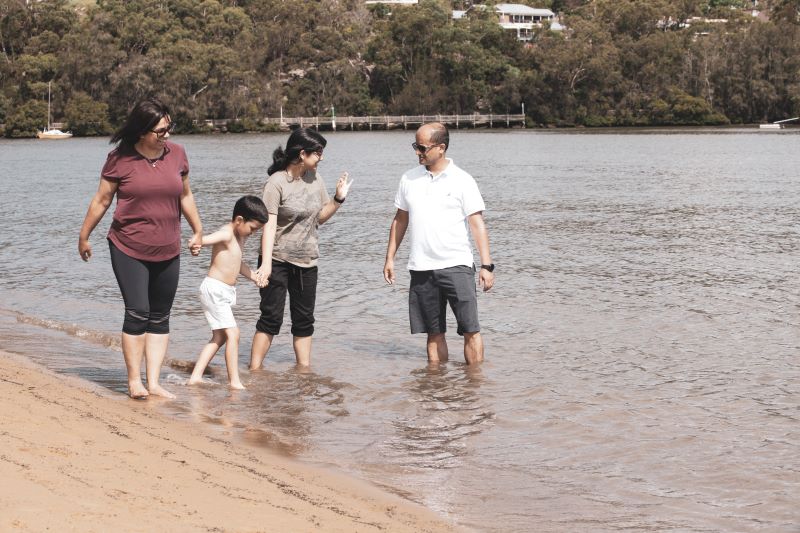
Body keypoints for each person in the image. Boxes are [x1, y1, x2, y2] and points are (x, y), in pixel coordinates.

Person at [78, 98, 203, 399]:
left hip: (168, 247)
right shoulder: (119, 158)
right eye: (161, 131)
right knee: (138, 312)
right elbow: (102, 200)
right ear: (142, 131)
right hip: (128, 246)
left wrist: (198, 230)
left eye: (169, 128)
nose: (167, 135)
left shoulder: (178, 155)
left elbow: (185, 195)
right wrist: (84, 236)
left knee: (160, 315)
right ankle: (135, 381)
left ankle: (155, 382)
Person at [383, 122, 495, 366]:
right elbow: (400, 219)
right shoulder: (408, 179)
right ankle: (436, 390)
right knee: (433, 333)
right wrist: (390, 257)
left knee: (471, 330)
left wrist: (487, 265)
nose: (417, 152)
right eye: (415, 146)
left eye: (422, 147)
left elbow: (477, 223)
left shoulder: (462, 180)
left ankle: (475, 390)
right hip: (421, 269)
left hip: (457, 266)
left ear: (441, 148)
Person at [250, 128, 353, 368]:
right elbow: (269, 224)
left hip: (307, 261)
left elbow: (319, 218)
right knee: (271, 318)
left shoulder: (315, 179)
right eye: (318, 152)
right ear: (302, 154)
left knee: (304, 320)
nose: (322, 158)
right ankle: (254, 371)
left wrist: (338, 199)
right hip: (276, 260)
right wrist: (265, 265)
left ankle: (304, 373)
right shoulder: (276, 183)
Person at [188, 196, 269, 389]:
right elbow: (205, 239)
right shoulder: (226, 233)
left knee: (220, 337)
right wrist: (195, 244)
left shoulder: (240, 237)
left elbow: (237, 263)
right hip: (214, 289)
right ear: (239, 220)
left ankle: (195, 377)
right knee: (233, 333)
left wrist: (254, 277)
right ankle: (234, 382)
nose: (253, 233)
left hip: (222, 292)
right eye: (253, 229)